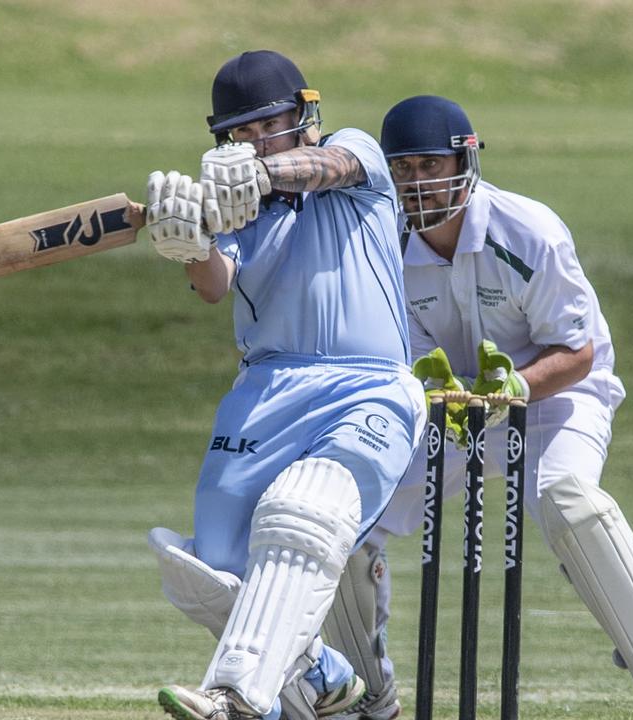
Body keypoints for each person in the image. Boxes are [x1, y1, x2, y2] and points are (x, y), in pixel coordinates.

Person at [323, 94, 633, 720]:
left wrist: (515, 390)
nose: (417, 184)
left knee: (569, 501)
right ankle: (367, 698)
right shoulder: (384, 244)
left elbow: (578, 353)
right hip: (448, 406)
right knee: (346, 517)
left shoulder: (528, 231)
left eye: (429, 165)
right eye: (403, 170)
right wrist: (440, 395)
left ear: (465, 160)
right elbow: (397, 354)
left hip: (555, 396)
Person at [143, 50, 426, 720]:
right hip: (265, 390)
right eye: (239, 133)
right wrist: (189, 239)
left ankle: (234, 693)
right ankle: (322, 671)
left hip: (366, 387)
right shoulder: (239, 213)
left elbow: (328, 169)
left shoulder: (353, 154)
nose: (254, 141)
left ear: (304, 115)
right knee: (207, 568)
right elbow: (212, 287)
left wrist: (259, 171)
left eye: (269, 125)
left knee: (300, 517)